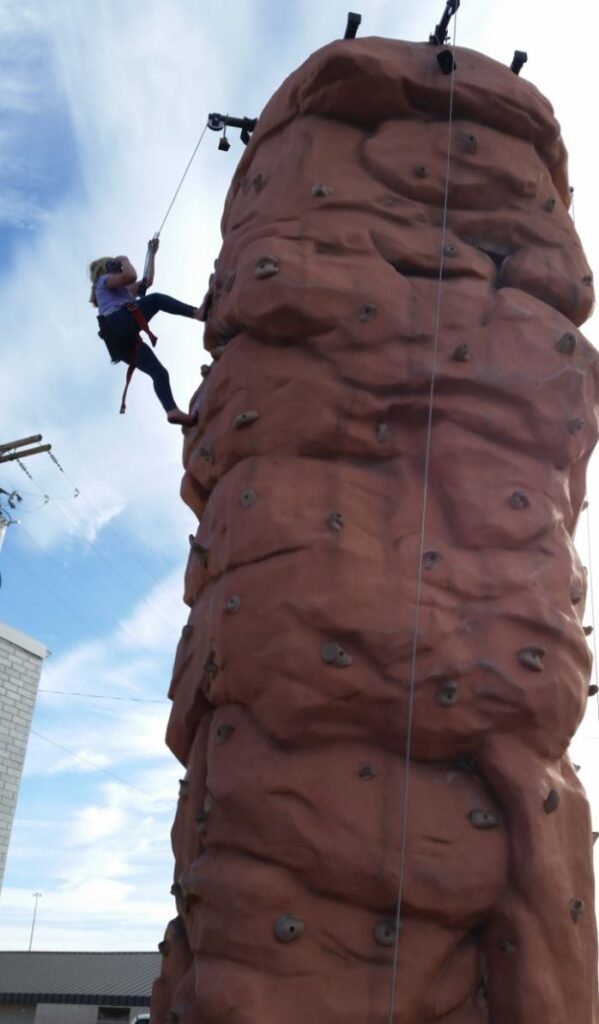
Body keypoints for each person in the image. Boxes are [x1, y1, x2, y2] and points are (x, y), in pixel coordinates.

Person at [89, 238, 200, 426]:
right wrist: (124, 260)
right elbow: (131, 276)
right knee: (156, 300)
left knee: (159, 372)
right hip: (120, 323)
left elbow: (145, 283)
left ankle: (171, 410)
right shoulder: (103, 281)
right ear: (106, 269)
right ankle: (196, 312)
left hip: (124, 343)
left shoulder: (121, 291)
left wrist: (152, 254)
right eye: (113, 265)